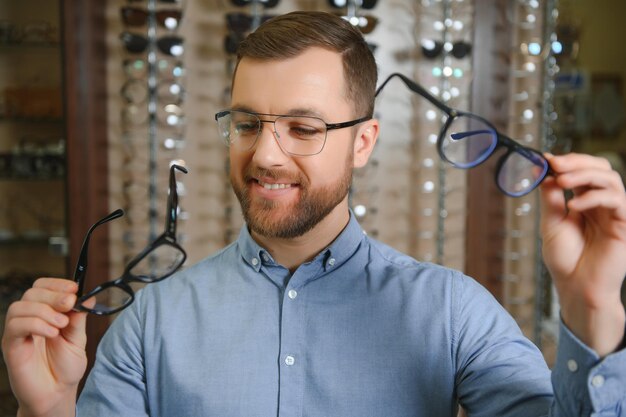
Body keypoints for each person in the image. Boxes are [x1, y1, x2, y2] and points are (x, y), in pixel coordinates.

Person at [2, 10, 626, 417]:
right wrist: (50, 411)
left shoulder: (452, 312)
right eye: (247, 123)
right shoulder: (150, 323)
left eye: (303, 127)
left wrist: (590, 308)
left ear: (363, 141)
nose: (265, 154)